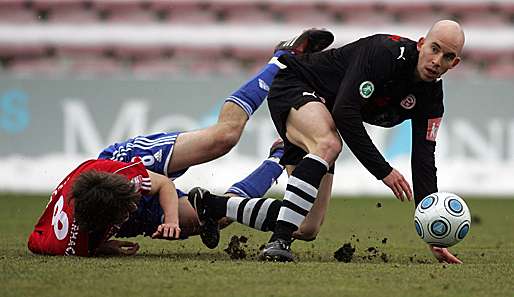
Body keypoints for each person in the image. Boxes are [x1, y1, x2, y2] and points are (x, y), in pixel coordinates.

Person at [243, 20, 465, 263]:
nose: (436, 60)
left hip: (323, 110)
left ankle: (214, 206)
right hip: (296, 82)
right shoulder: (386, 53)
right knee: (329, 144)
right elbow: (345, 113)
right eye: (434, 49)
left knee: (308, 227)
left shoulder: (431, 99)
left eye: (447, 56)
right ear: (422, 44)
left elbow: (424, 159)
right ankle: (279, 241)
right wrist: (384, 171)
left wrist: (432, 229)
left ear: (454, 63)